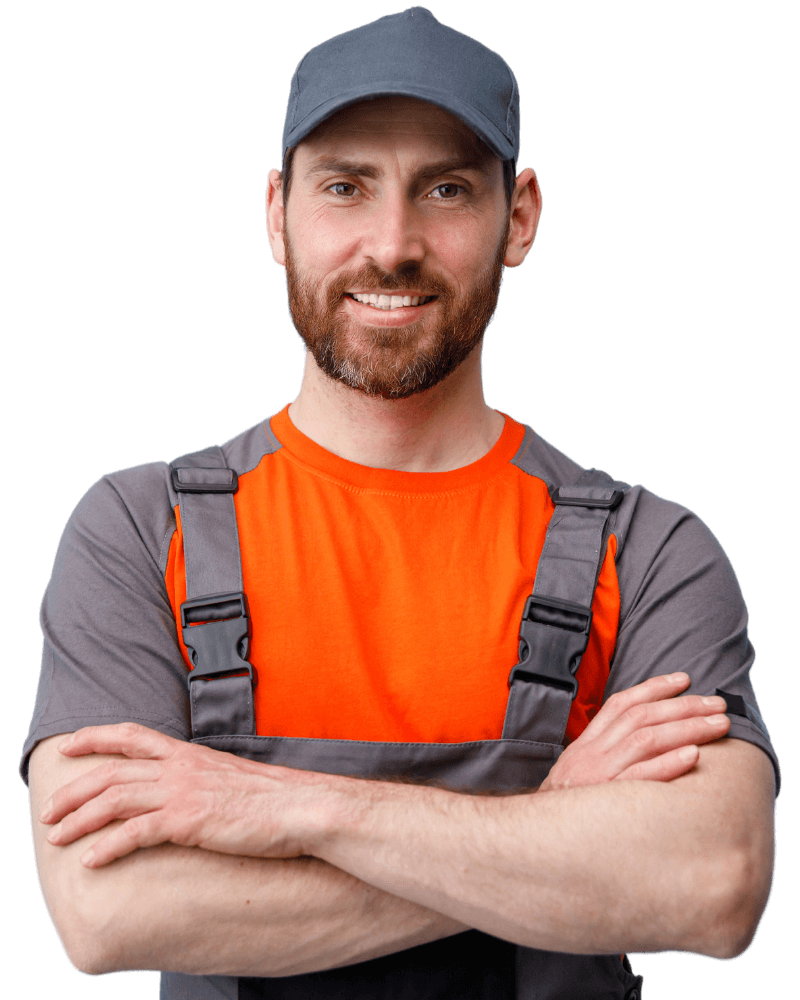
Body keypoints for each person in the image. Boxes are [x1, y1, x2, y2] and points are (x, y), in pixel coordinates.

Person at [23, 9, 778, 999]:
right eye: (344, 186)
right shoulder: (136, 529)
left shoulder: (648, 552)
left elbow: (711, 884)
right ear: (275, 214)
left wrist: (286, 810)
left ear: (519, 218)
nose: (391, 245)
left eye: (445, 189)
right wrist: (548, 820)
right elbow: (107, 911)